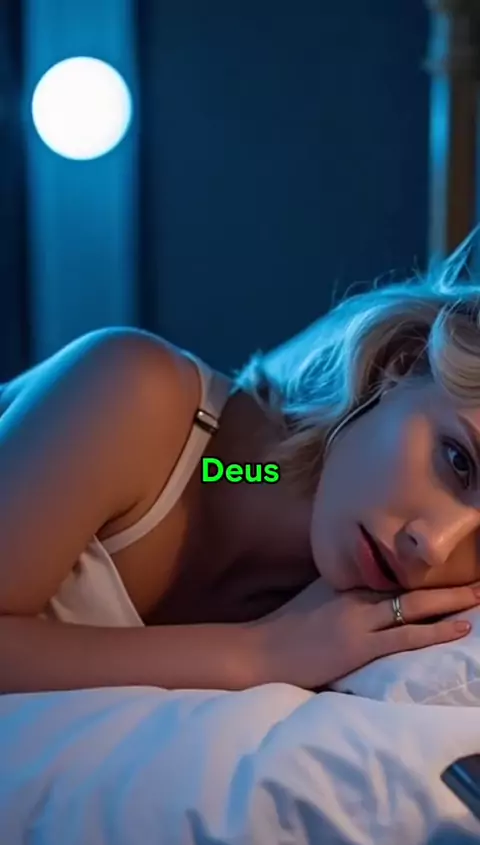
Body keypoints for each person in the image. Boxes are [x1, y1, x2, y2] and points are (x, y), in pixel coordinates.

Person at [1, 234, 480, 695]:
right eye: (459, 460)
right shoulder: (134, 394)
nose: (435, 545)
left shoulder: (345, 628)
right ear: (400, 365)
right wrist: (256, 652)